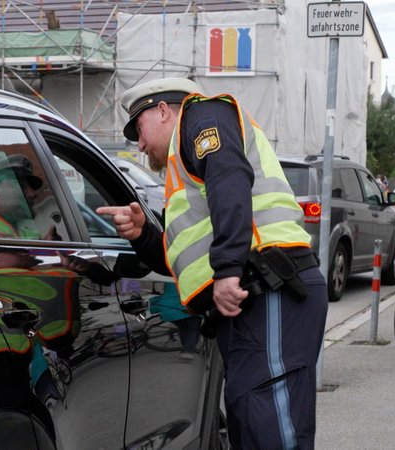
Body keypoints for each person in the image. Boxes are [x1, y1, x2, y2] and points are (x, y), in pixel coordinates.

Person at [96, 78, 328, 448]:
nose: (138, 144)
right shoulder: (181, 174)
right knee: (251, 420)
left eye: (138, 129)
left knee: (271, 426)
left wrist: (227, 270)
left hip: (270, 287)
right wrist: (143, 235)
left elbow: (230, 182)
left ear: (163, 111)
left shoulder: (203, 115)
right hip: (250, 297)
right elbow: (185, 260)